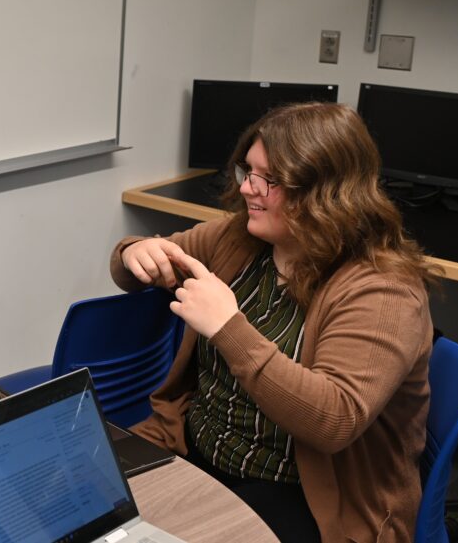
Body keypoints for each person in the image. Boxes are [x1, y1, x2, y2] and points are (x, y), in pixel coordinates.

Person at [110, 102, 434, 542]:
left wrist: (227, 326)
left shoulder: (384, 290)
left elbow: (333, 421)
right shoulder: (241, 237)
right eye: (248, 171)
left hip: (306, 493)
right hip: (194, 448)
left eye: (270, 179)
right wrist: (134, 251)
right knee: (85, 507)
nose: (247, 188)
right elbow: (140, 261)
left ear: (325, 193)